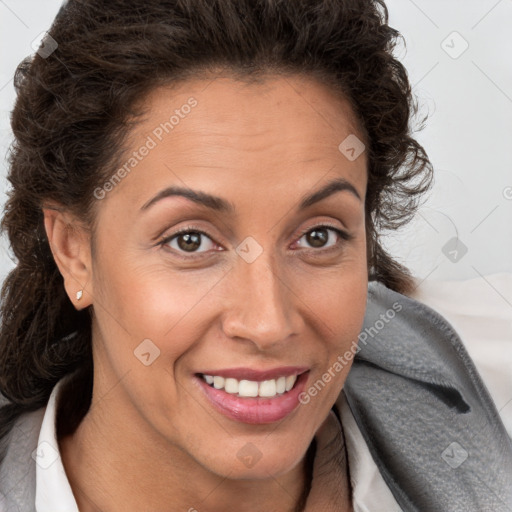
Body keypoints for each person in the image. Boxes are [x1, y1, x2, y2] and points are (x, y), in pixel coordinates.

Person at [0, 1, 510, 511]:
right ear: (74, 251)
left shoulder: (469, 375)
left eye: (318, 237)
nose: (267, 324)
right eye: (190, 241)